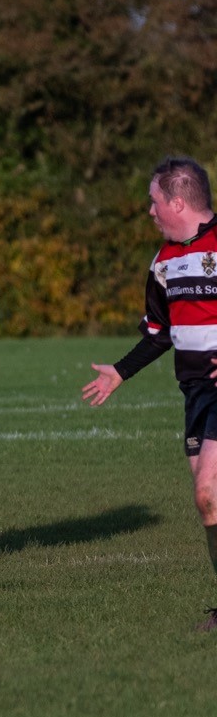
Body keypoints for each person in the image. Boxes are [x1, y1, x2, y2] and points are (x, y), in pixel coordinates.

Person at [82, 156, 217, 631]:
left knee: (209, 490)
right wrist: (120, 372)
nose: (150, 210)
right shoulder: (164, 260)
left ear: (177, 201)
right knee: (208, 502)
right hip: (196, 393)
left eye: (154, 201)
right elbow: (161, 331)